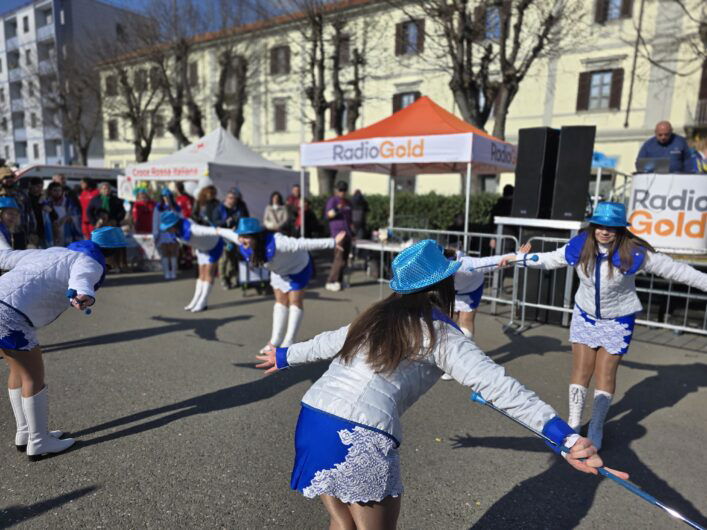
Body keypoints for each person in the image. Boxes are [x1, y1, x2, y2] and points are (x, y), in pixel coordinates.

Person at [254, 240, 624, 528]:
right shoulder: (443, 335)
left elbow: (325, 342)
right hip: (358, 435)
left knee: (340, 522)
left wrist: (284, 356)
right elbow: (501, 387)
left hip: (313, 416)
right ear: (445, 284)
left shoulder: (373, 316)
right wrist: (566, 438)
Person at [509, 202, 707, 450]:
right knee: (581, 370)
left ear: (621, 229)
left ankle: (596, 427)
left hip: (618, 319)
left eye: (611, 227)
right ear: (593, 226)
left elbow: (677, 271)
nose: (604, 231)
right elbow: (551, 259)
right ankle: (574, 424)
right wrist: (520, 259)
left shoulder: (634, 252)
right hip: (585, 315)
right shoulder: (580, 245)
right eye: (600, 225)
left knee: (605, 373)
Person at [0, 226, 127, 459]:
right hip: (11, 314)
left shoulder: (51, 251)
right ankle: (39, 442)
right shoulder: (90, 260)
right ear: (115, 252)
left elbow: (5, 257)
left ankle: (25, 432)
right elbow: (82, 278)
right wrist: (84, 295)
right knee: (33, 378)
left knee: (17, 371)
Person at [217, 218, 348, 352]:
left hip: (297, 268)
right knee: (280, 302)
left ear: (256, 236)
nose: (241, 240)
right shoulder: (243, 243)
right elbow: (229, 234)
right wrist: (219, 230)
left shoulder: (279, 242)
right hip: (279, 271)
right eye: (240, 236)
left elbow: (303, 244)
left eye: (245, 237)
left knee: (294, 302)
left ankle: (289, 341)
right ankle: (274, 341)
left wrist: (333, 242)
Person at [159, 210, 224, 312]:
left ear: (174, 224)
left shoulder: (193, 229)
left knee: (208, 273)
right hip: (201, 248)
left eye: (167, 227)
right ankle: (195, 300)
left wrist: (224, 232)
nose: (166, 230)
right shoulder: (176, 232)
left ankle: (203, 301)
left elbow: (211, 231)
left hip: (214, 245)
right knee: (201, 274)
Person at [218, 188, 249, 290]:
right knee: (224, 258)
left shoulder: (240, 207)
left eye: (234, 198)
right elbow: (215, 222)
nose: (232, 200)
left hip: (236, 235)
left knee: (233, 258)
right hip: (224, 235)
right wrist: (225, 223)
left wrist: (238, 226)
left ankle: (232, 277)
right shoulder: (220, 208)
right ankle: (223, 279)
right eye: (230, 198)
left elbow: (245, 219)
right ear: (227, 198)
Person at [324, 180, 353, 292]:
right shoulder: (333, 200)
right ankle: (330, 281)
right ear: (336, 190)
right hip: (337, 234)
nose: (342, 192)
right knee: (338, 259)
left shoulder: (348, 203)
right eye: (340, 190)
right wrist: (337, 208)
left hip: (348, 233)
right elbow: (328, 215)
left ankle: (338, 281)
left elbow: (350, 219)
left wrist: (352, 231)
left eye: (344, 190)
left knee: (344, 260)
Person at [42, 182, 82, 247]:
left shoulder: (68, 202)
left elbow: (76, 215)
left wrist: (66, 219)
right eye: (54, 190)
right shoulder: (46, 202)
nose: (57, 192)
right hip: (51, 232)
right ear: (50, 191)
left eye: (59, 190)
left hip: (66, 231)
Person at [153, 188, 181, 280]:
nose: (166, 198)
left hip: (173, 233)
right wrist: (155, 234)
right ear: (162, 197)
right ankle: (166, 272)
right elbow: (155, 221)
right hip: (162, 233)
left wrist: (179, 232)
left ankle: (173, 272)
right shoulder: (158, 207)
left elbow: (180, 219)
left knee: (173, 252)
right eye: (164, 196)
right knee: (165, 252)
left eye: (168, 196)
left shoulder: (176, 207)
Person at [26, 177, 46, 248]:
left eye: (41, 187)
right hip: (32, 232)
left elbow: (54, 215)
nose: (40, 189)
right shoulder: (26, 198)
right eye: (37, 187)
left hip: (43, 231)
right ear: (31, 186)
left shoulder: (43, 198)